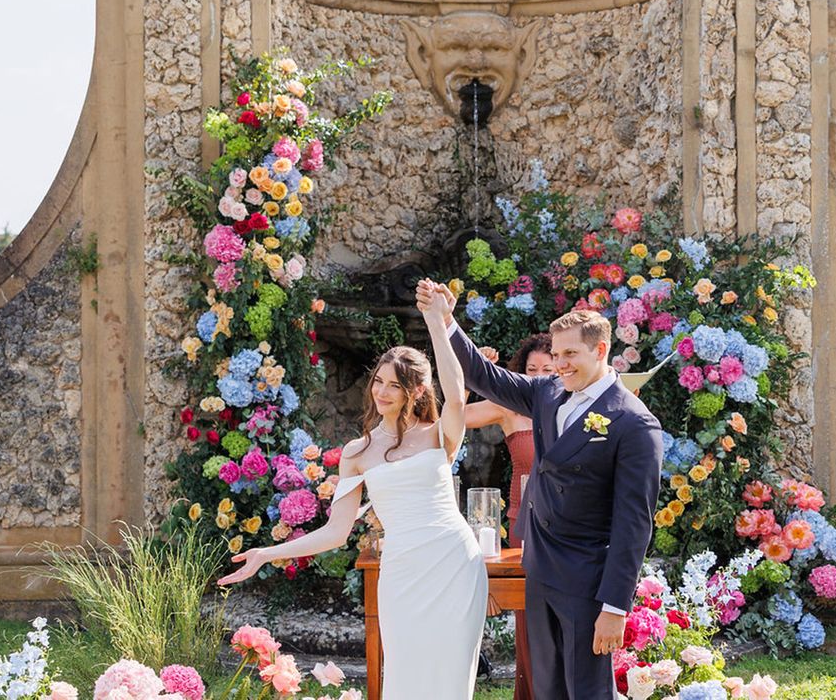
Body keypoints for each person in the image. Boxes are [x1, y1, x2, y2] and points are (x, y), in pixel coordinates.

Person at [417, 280, 664, 700]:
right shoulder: (547, 393)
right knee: (546, 687)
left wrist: (615, 607)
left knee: (586, 691)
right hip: (540, 565)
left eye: (570, 354)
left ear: (601, 350)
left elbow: (634, 524)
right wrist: (446, 321)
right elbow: (483, 375)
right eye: (556, 354)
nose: (560, 365)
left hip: (588, 578)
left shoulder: (634, 423)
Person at [218, 331, 488, 700]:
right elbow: (335, 532)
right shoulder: (357, 452)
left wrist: (437, 321)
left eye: (395, 385)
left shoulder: (439, 434)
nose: (382, 392)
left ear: (417, 391)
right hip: (403, 573)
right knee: (406, 677)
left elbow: (456, 397)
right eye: (379, 381)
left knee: (451, 680)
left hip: (454, 564)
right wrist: (267, 553)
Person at [465, 334, 554, 700]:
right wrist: (472, 377)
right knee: (529, 615)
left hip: (567, 521)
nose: (539, 376)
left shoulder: (576, 405)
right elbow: (453, 420)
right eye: (532, 369)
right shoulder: (508, 407)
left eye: (547, 369)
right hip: (524, 522)